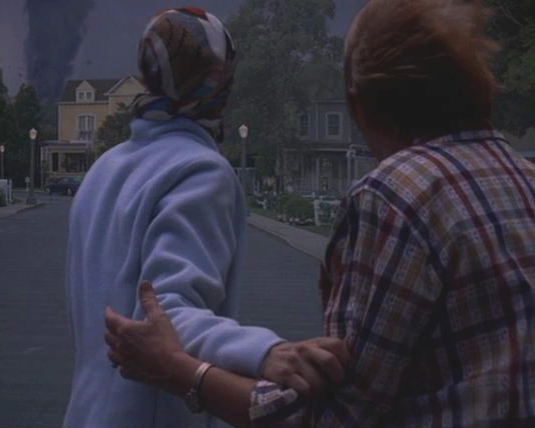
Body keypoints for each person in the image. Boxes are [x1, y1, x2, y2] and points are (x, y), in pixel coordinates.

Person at [104, 0, 535, 427]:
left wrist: (183, 371)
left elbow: (333, 416)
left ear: (359, 104)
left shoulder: (397, 195)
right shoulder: (525, 179)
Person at [62, 7, 350, 428]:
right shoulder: (200, 171)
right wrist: (266, 353)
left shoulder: (102, 170)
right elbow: (166, 312)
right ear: (219, 80)